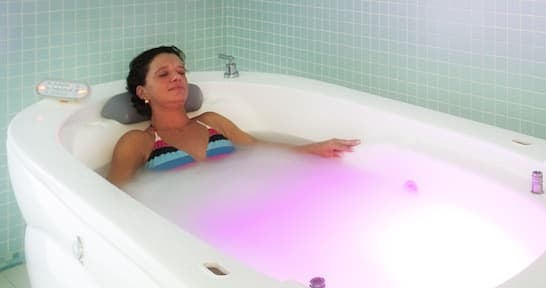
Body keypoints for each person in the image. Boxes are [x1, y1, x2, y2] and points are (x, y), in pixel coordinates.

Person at [107, 46, 360, 185]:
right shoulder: (138, 141)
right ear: (142, 91)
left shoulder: (211, 122)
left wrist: (315, 149)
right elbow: (116, 199)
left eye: (181, 72)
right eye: (164, 74)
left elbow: (259, 148)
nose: (177, 78)